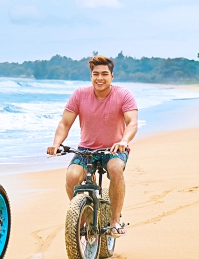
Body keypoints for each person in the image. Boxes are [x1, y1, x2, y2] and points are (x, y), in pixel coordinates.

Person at [46, 55, 138, 236]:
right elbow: (65, 123)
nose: (100, 78)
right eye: (96, 74)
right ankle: (83, 216)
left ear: (112, 76)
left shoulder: (124, 95)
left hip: (113, 149)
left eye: (104, 74)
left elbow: (132, 122)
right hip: (86, 150)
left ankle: (114, 221)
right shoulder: (80, 94)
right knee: (72, 177)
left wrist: (123, 141)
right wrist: (56, 143)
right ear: (91, 76)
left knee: (116, 169)